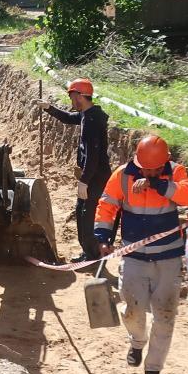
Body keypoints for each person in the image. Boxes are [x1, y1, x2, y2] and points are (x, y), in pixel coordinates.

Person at [93, 134, 188, 374]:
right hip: (135, 256)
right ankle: (137, 342)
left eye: (155, 168)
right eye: (146, 168)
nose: (150, 171)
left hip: (168, 258)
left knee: (165, 315)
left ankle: (153, 369)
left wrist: (159, 184)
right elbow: (107, 205)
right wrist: (103, 236)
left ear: (166, 162)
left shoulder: (175, 172)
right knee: (133, 310)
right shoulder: (123, 175)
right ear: (137, 162)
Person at [38, 78, 111, 261]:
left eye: (72, 98)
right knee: (82, 211)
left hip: (95, 177)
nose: (72, 102)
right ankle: (89, 251)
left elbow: (93, 155)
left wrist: (84, 181)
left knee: (86, 214)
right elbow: (68, 118)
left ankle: (92, 254)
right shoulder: (88, 114)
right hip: (93, 175)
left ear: (80, 96)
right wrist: (49, 108)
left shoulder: (92, 120)